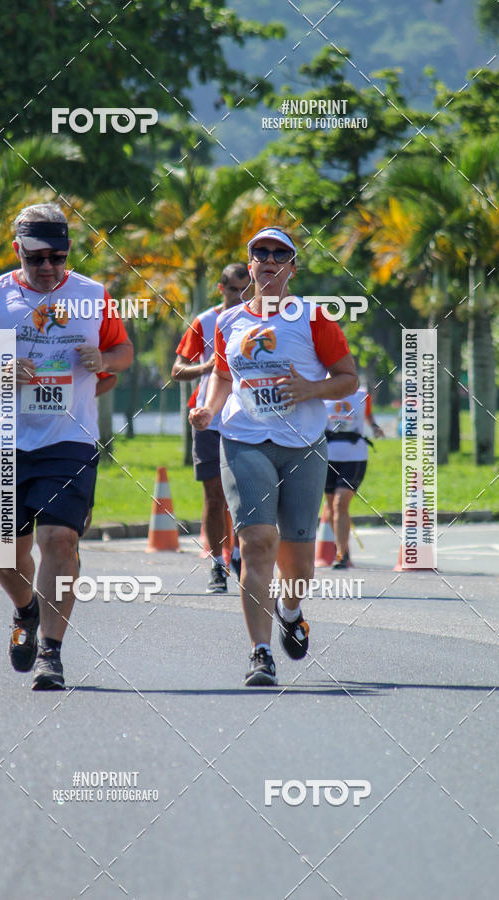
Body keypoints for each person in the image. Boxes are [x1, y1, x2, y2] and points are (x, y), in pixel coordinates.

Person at [0, 203, 133, 690]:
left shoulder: (92, 296)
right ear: (17, 252)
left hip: (70, 439)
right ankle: (26, 610)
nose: (47, 266)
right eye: (36, 257)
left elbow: (124, 352)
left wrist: (104, 356)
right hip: (6, 440)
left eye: (57, 256)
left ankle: (52, 651)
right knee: (3, 553)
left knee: (59, 540)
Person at [190, 226, 357, 686]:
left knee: (298, 564)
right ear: (249, 266)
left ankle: (290, 609)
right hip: (243, 439)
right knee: (258, 542)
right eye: (259, 253)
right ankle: (260, 653)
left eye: (279, 254)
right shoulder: (229, 322)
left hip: (303, 446)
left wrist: (312, 389)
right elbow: (223, 377)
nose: (268, 259)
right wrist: (209, 408)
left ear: (291, 268)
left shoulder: (313, 317)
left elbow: (348, 379)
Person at [172, 263, 248, 592]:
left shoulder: (261, 320)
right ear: (220, 289)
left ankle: (244, 558)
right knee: (214, 497)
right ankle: (218, 564)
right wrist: (209, 366)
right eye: (232, 290)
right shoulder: (205, 321)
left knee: (247, 497)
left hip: (248, 419)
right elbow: (177, 370)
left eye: (245, 291)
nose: (239, 296)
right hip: (208, 419)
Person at [324, 386, 384, 568]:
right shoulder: (321, 389)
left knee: (340, 504)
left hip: (354, 455)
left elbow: (368, 415)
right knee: (331, 506)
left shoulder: (361, 394)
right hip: (327, 455)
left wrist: (374, 427)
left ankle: (341, 555)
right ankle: (343, 549)